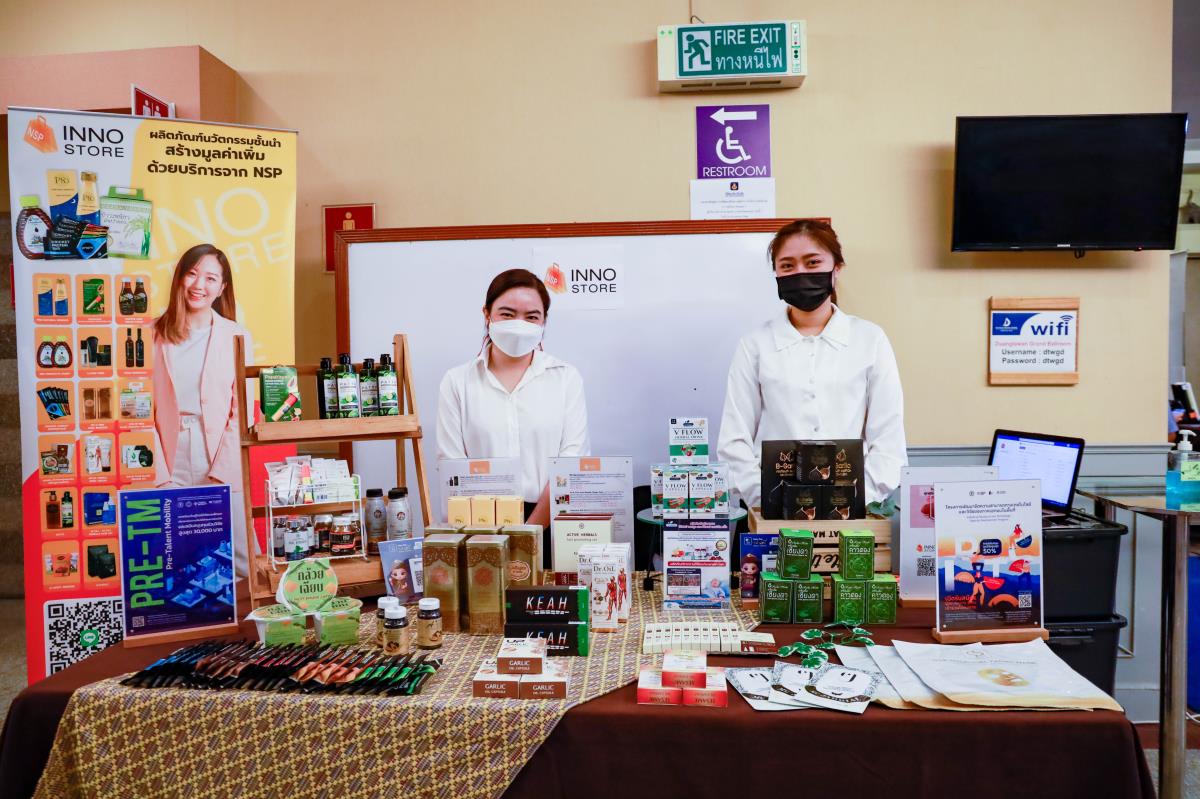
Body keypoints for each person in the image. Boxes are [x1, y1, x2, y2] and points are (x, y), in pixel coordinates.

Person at [717, 220, 907, 511]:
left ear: (836, 268)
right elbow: (734, 441)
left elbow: (888, 440)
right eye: (787, 265)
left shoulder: (870, 340)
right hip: (770, 510)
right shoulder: (754, 345)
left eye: (813, 262)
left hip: (853, 511)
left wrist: (854, 498)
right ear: (776, 274)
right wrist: (769, 498)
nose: (800, 273)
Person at [437, 268, 590, 559]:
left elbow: (570, 464)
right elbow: (452, 466)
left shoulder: (565, 378)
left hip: (550, 523)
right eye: (507, 314)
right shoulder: (457, 382)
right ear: (487, 314)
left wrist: (527, 536)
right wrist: (489, 539)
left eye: (531, 317)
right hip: (479, 529)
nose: (519, 324)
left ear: (544, 321)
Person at [151, 243, 253, 568]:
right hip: (169, 454)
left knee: (237, 558)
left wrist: (220, 473)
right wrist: (160, 475)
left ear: (222, 288)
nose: (199, 285)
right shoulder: (151, 334)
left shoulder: (236, 336)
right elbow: (138, 410)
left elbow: (241, 412)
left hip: (219, 452)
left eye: (210, 278)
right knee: (172, 555)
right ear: (179, 278)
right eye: (192, 274)